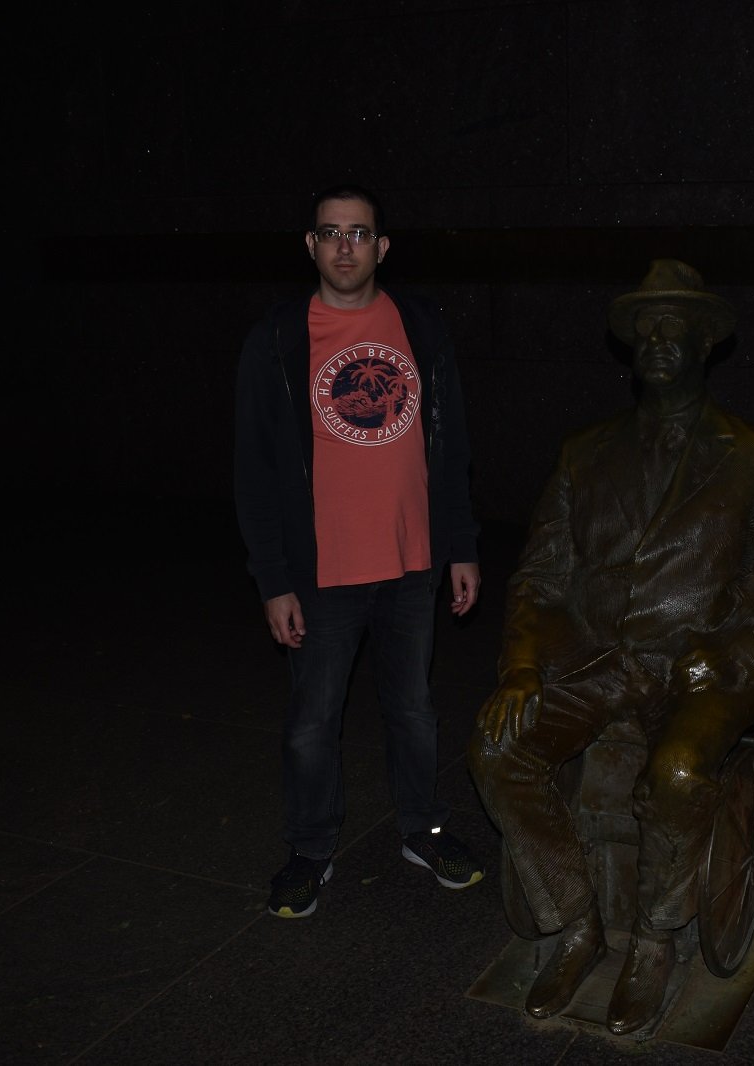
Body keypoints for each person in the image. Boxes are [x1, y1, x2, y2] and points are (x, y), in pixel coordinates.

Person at [468, 259, 754, 1035]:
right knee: (499, 750)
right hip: (596, 662)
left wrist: (735, 654)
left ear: (707, 344)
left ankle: (655, 939)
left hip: (698, 669)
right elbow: (538, 577)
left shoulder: (753, 456)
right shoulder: (583, 452)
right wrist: (523, 668)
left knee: (678, 771)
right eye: (646, 329)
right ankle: (576, 924)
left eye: (676, 327)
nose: (658, 339)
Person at [235, 182, 484, 919]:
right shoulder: (277, 339)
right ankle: (311, 851)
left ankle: (423, 830)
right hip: (322, 573)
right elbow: (253, 470)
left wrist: (461, 546)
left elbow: (452, 446)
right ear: (311, 246)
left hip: (413, 564)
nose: (345, 246)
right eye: (330, 233)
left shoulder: (421, 325)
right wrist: (273, 580)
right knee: (312, 723)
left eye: (359, 233)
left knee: (414, 711)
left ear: (382, 247)